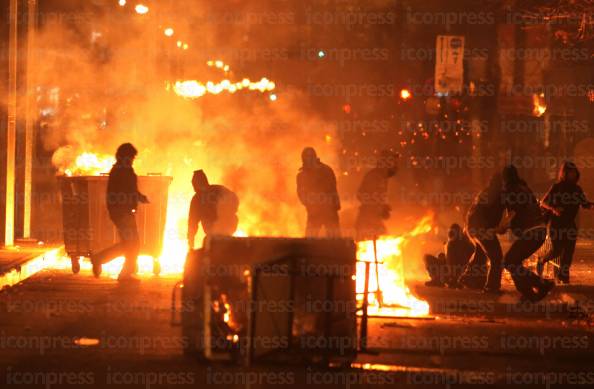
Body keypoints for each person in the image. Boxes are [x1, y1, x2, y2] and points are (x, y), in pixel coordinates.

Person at [91, 143, 149, 281]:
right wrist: (139, 198)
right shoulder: (123, 170)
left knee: (129, 243)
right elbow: (128, 190)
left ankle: (101, 260)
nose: (133, 159)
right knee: (133, 243)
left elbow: (129, 190)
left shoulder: (121, 169)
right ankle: (124, 273)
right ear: (126, 156)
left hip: (121, 211)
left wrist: (139, 198)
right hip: (122, 212)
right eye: (132, 157)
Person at [500, 165, 554, 302]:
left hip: (532, 231)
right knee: (513, 261)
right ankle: (528, 294)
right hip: (539, 231)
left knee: (509, 261)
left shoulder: (511, 190)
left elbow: (513, 212)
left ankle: (542, 284)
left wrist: (502, 227)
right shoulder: (523, 187)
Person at [538, 161, 593, 283]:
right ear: (565, 173)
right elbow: (543, 202)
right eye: (570, 172)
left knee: (568, 252)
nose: (573, 174)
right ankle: (542, 260)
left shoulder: (577, 189)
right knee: (557, 249)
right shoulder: (557, 187)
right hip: (556, 224)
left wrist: (591, 205)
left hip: (570, 224)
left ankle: (563, 277)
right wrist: (554, 208)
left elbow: (585, 204)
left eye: (574, 172)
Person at [458, 173, 504, 292]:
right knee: (496, 257)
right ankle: (492, 287)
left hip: (473, 227)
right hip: (481, 229)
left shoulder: (486, 191)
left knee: (480, 253)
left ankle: (467, 278)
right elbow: (494, 215)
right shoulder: (497, 195)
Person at [187, 170, 239, 248]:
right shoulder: (219, 189)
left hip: (213, 237)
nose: (193, 186)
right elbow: (235, 199)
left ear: (197, 183)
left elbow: (192, 223)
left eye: (193, 183)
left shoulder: (197, 199)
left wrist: (190, 244)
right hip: (228, 233)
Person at [296, 147, 341, 238]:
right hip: (315, 212)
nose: (308, 159)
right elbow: (301, 194)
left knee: (334, 240)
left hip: (329, 211)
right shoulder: (302, 175)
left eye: (310, 157)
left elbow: (331, 188)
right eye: (306, 157)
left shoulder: (326, 170)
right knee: (310, 241)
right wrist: (310, 205)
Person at [355, 150, 398, 240]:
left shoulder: (383, 177)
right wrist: (377, 207)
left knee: (384, 239)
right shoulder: (374, 176)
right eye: (393, 162)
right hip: (367, 220)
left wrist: (382, 206)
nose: (395, 165)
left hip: (374, 219)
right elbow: (361, 195)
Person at [424, 223, 475, 287]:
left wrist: (453, 278)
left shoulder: (453, 244)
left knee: (427, 258)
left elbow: (455, 261)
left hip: (454, 274)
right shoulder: (463, 243)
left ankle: (439, 280)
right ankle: (438, 280)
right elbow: (451, 259)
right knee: (428, 257)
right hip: (451, 272)